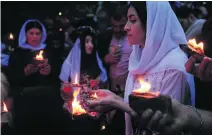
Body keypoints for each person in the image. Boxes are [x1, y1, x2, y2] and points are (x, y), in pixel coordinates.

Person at [85, 1, 196, 135]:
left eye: (132, 20)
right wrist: (112, 100)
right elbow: (139, 107)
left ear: (152, 24)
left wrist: (115, 101)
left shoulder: (174, 68)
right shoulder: (139, 58)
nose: (126, 27)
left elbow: (163, 124)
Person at [8, 19, 63, 135]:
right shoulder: (18, 53)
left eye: (37, 34)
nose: (34, 37)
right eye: (31, 33)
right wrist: (25, 72)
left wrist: (50, 71)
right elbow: (12, 77)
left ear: (42, 35)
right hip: (25, 97)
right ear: (25, 35)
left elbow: (59, 73)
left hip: (47, 97)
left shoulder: (49, 51)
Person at [59, 26, 107, 135]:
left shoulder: (96, 61)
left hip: (94, 109)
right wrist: (68, 90)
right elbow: (63, 88)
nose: (90, 45)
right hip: (76, 110)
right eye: (87, 42)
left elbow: (104, 82)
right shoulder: (69, 63)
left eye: (92, 42)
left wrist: (98, 83)